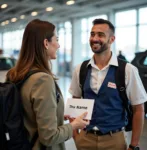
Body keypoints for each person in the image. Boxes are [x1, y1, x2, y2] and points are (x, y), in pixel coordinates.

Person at [6, 19, 89, 150]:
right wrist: (74, 125)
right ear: (46, 43)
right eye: (56, 39)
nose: (59, 45)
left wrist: (58, 114)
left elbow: (27, 114)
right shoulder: (42, 80)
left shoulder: (15, 74)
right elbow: (49, 137)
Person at [69, 18, 147, 150]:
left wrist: (134, 145)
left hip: (114, 140)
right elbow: (76, 100)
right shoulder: (81, 69)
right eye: (92, 34)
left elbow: (139, 109)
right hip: (85, 138)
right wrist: (75, 135)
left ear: (112, 39)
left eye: (100, 35)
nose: (95, 38)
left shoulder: (127, 70)